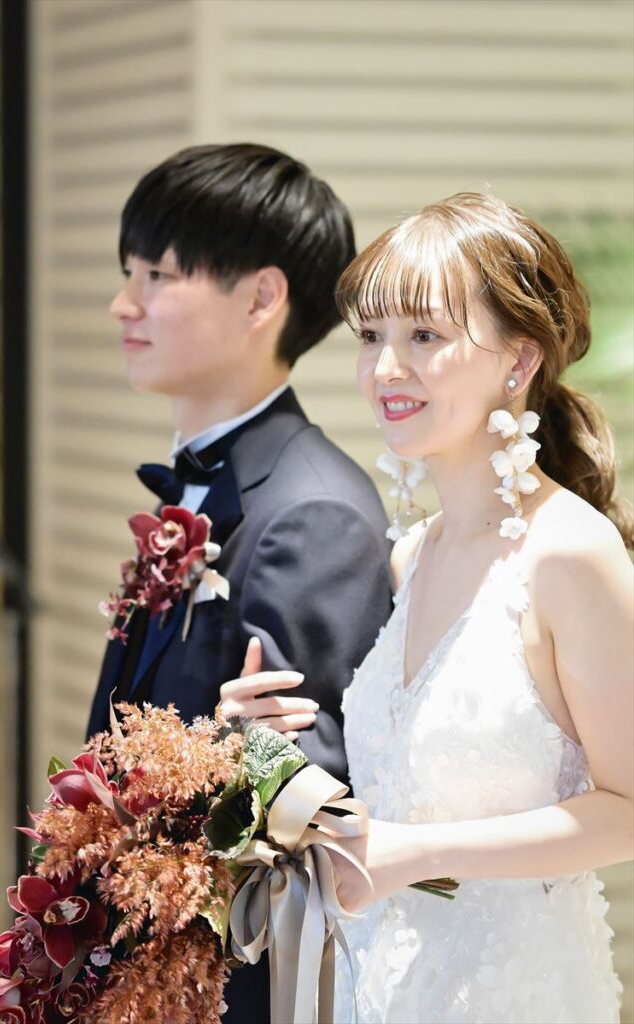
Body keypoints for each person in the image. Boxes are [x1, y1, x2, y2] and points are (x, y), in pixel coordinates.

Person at [225, 192, 633, 1023]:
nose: (385, 368)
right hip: (380, 985)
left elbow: (627, 811)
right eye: (370, 336)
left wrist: (416, 854)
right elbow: (390, 804)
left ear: (518, 360)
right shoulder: (411, 555)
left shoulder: (569, 551)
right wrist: (260, 746)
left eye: (423, 336)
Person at [85, 142, 393, 1023]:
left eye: (157, 275)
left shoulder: (311, 511)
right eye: (127, 273)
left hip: (218, 987)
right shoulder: (205, 488)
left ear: (260, 298)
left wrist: (232, 751)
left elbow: (309, 803)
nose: (124, 304)